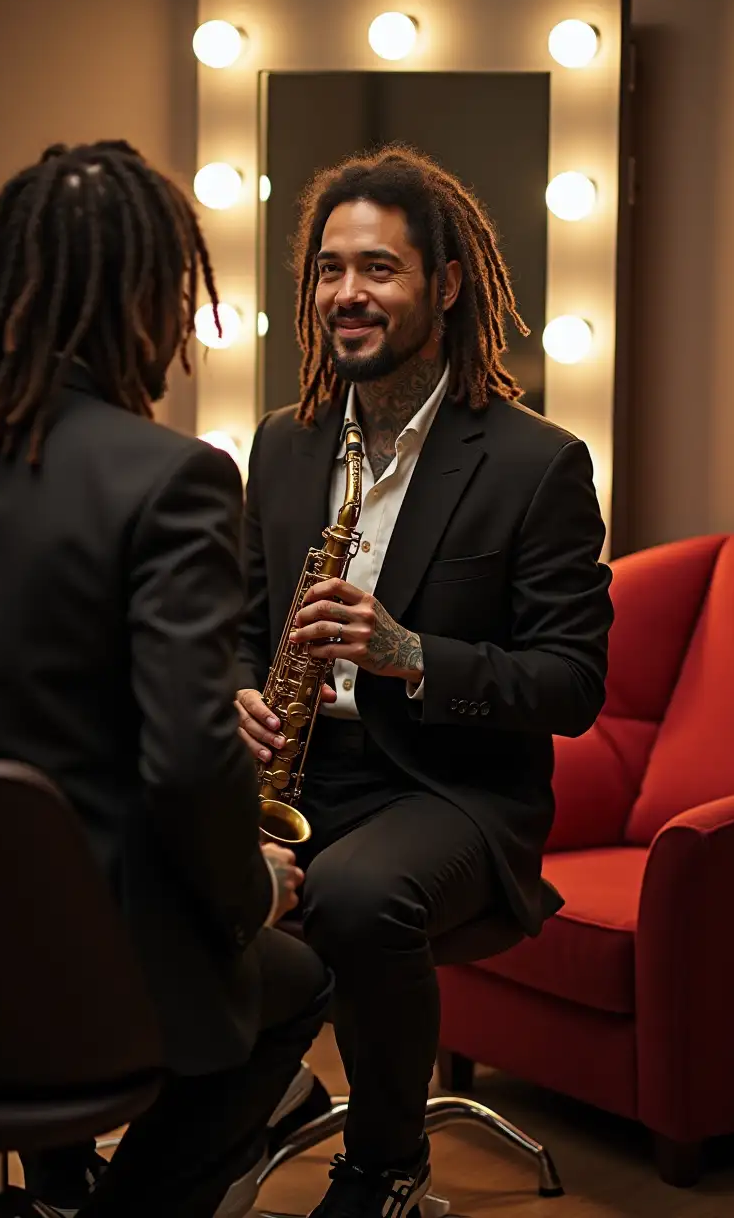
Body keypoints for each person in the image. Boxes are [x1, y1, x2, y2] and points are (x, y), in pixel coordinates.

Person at [0, 141, 331, 1218]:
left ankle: (61, 1182)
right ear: (147, 297)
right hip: (76, 985)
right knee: (291, 984)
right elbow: (188, 761)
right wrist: (251, 891)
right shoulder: (172, 475)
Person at [235, 145, 614, 1217]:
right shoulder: (283, 442)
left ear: (444, 285)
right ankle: (256, 1099)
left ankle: (387, 1162)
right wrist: (235, 692)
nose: (345, 293)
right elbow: (234, 625)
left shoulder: (537, 462)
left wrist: (405, 651)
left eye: (379, 269)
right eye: (327, 268)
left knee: (355, 895)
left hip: (451, 793)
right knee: (127, 838)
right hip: (310, 770)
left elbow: (571, 683)